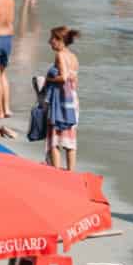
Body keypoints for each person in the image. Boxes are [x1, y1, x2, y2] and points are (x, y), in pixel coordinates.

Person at [39, 27, 81, 170]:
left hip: (61, 101)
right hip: (72, 100)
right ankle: (70, 172)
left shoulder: (60, 55)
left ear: (60, 40)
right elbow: (74, 81)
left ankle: (56, 173)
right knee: (70, 138)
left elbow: (62, 77)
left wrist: (49, 79)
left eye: (52, 39)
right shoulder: (74, 57)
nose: (49, 42)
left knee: (54, 138)